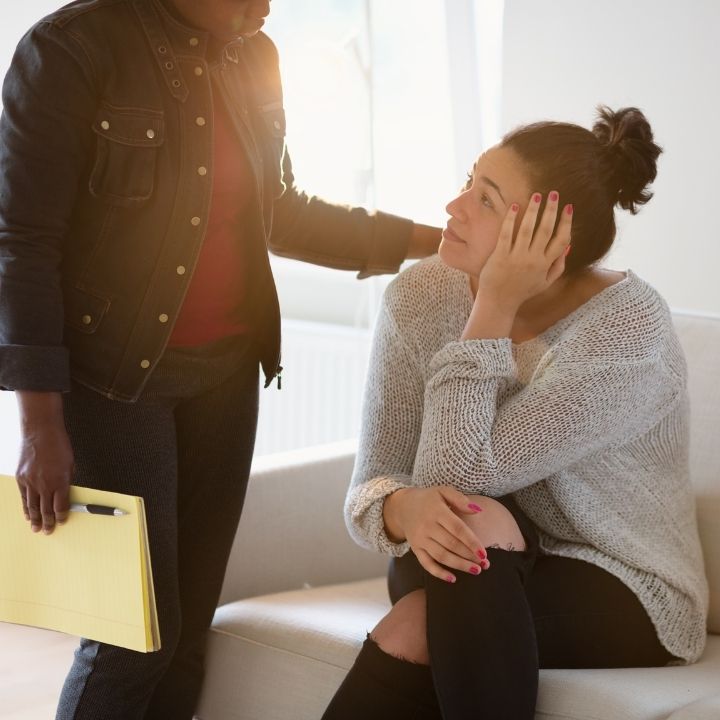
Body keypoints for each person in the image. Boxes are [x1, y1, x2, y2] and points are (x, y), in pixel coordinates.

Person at [0, 1, 440, 718]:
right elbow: (21, 242)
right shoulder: (70, 50)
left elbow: (281, 210)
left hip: (227, 378)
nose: (265, 6)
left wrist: (436, 241)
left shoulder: (254, 53)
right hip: (114, 383)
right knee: (134, 636)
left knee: (191, 628)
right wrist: (39, 423)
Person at [322, 106, 709, 720]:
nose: (453, 208)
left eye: (486, 201)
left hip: (617, 579)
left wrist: (494, 307)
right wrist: (402, 507)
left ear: (551, 239)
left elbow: (464, 476)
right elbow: (376, 480)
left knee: (422, 615)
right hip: (458, 547)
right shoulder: (420, 296)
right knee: (464, 531)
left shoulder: (628, 329)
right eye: (468, 182)